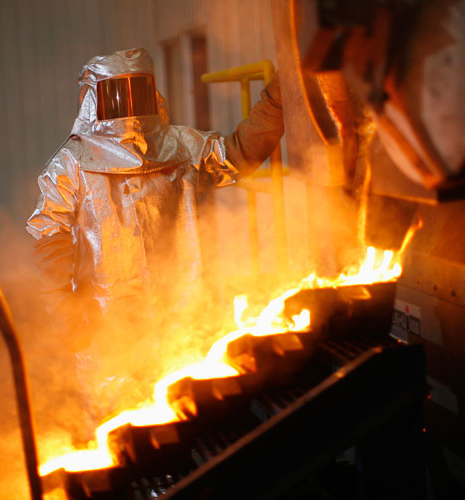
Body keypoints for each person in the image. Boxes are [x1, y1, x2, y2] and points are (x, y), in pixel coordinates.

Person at [26, 48, 283, 425]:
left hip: (181, 306)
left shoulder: (179, 145)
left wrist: (276, 102)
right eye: (118, 93)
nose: (129, 105)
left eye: (137, 90)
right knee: (120, 426)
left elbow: (236, 154)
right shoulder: (73, 162)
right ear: (95, 97)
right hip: (110, 320)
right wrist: (61, 302)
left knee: (190, 412)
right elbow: (49, 231)